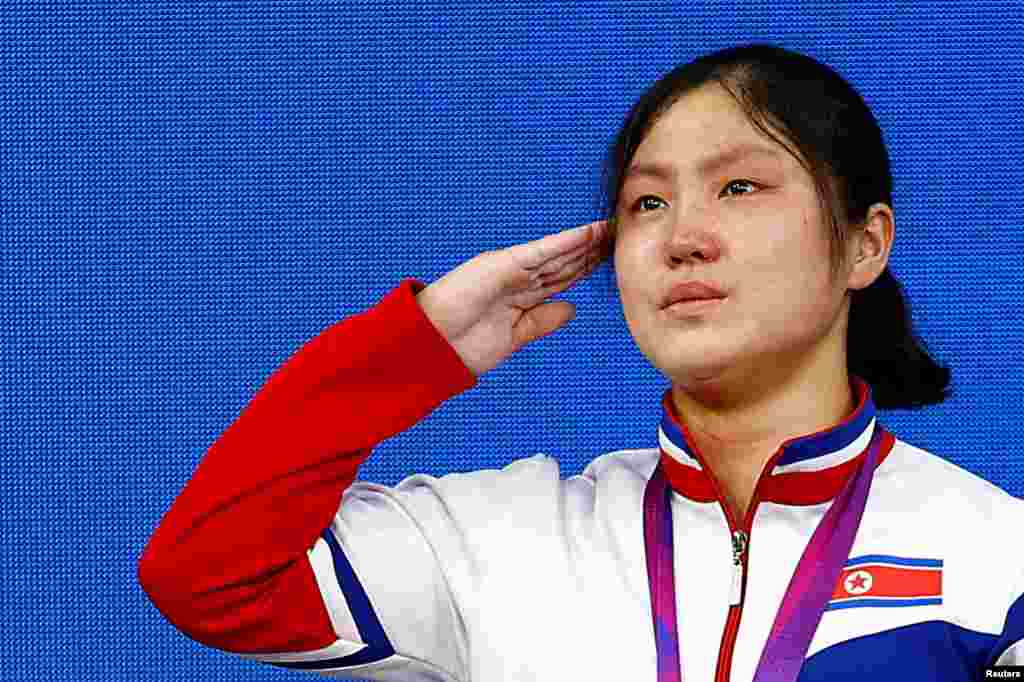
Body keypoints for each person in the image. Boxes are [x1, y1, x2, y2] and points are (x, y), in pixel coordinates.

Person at [137, 44, 1023, 681]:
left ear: (864, 246)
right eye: (646, 202)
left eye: (740, 187)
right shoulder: (491, 544)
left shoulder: (999, 559)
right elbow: (208, 574)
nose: (683, 237)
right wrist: (423, 345)